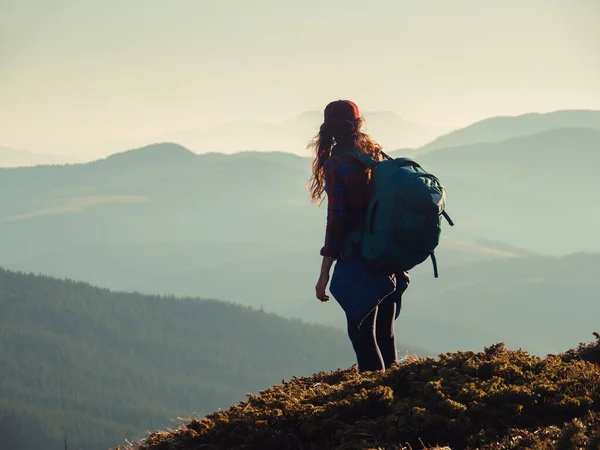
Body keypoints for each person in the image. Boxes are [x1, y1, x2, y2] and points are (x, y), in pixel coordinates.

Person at [308, 99, 409, 372]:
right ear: (358, 124)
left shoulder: (337, 165)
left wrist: (324, 274)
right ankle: (397, 398)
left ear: (327, 128)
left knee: (362, 335)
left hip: (359, 257)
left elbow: (337, 221)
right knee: (385, 334)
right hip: (390, 256)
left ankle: (376, 403)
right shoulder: (375, 157)